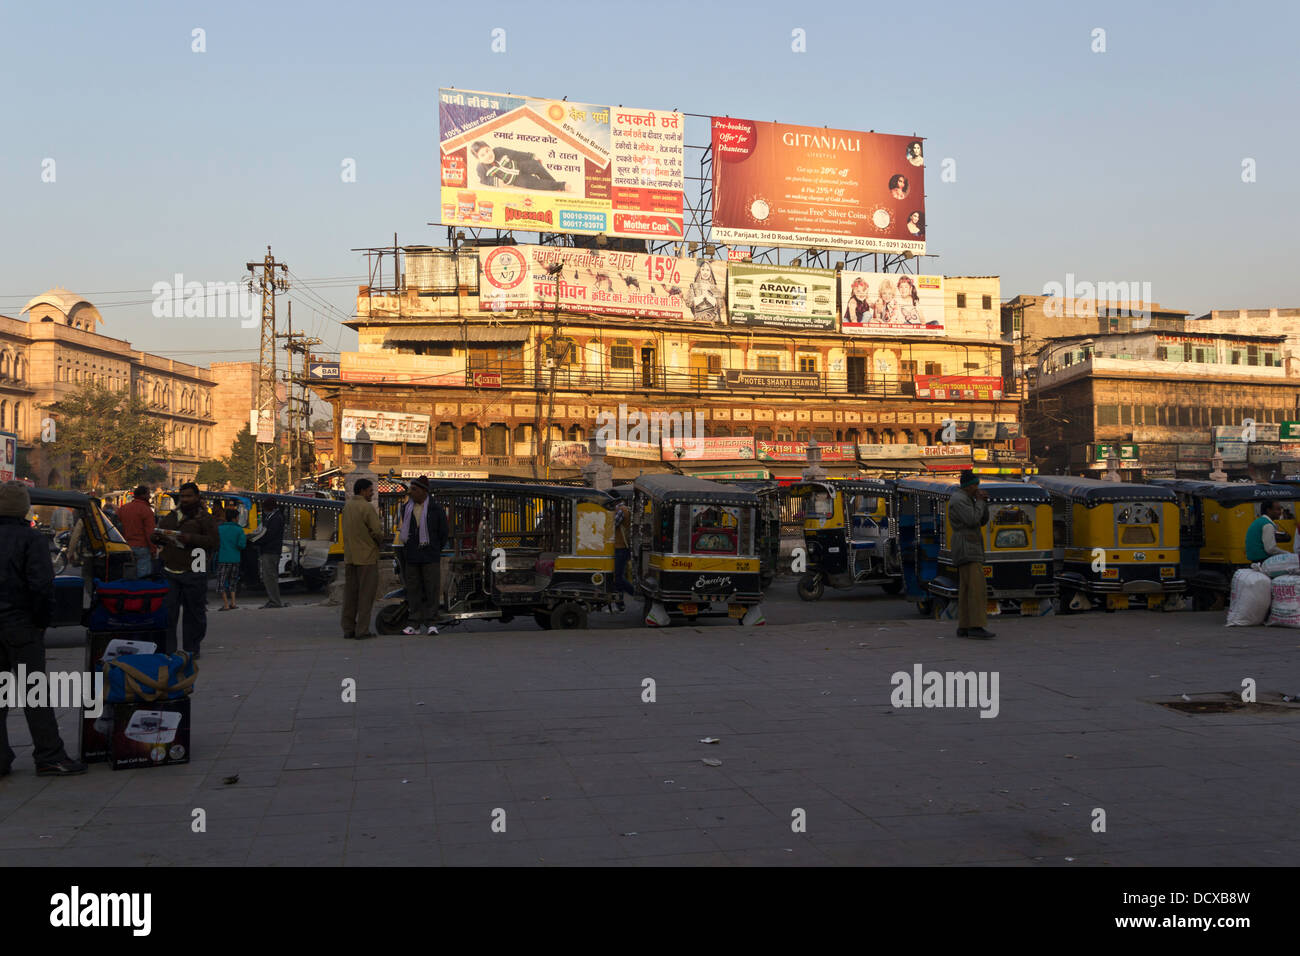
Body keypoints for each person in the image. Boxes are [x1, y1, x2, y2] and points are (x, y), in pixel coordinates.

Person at [0, 481, 86, 776]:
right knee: (34, 694)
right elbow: (41, 586)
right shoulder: (31, 539)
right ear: (23, 507)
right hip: (21, 627)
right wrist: (41, 622)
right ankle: (49, 755)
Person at [152, 482, 219, 658]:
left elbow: (214, 542)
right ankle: (169, 650)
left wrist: (191, 538)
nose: (185, 500)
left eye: (189, 496)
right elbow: (161, 533)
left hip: (195, 570)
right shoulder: (172, 517)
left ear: (197, 497)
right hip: (171, 570)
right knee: (169, 613)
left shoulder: (205, 518)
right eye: (183, 497)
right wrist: (157, 537)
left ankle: (192, 649)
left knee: (194, 613)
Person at [396, 476, 449, 636]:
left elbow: (443, 533)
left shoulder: (436, 509)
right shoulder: (406, 508)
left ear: (424, 491)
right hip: (412, 555)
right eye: (411, 489)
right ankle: (414, 623)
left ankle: (432, 623)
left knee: (431, 589)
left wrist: (433, 548)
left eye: (414, 489)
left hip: (430, 556)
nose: (411, 492)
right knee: (413, 590)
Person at [949, 470, 995, 639]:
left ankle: (965, 625)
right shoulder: (960, 500)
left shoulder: (967, 499)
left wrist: (983, 503)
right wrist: (980, 502)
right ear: (969, 486)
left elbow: (982, 520)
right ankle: (976, 625)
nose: (978, 488)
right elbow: (972, 520)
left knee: (968, 589)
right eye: (975, 485)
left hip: (969, 545)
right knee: (976, 589)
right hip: (967, 546)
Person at [341, 478, 388, 640]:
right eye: (370, 490)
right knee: (366, 596)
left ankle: (348, 628)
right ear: (362, 491)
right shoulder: (366, 507)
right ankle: (362, 630)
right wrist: (381, 540)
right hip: (367, 557)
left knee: (350, 596)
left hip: (350, 557)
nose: (372, 493)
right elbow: (376, 531)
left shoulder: (347, 507)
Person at [471, 141, 570, 192]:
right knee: (534, 183)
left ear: (490, 148)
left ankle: (554, 184)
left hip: (518, 166)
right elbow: (483, 180)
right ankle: (561, 185)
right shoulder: (481, 168)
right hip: (515, 180)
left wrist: (531, 156)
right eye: (482, 155)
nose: (488, 155)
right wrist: (495, 182)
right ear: (478, 159)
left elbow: (515, 154)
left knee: (535, 164)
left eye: (487, 150)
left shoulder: (499, 150)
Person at [117, 484, 156, 580]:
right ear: (143, 496)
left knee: (128, 575)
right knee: (143, 578)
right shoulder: (146, 511)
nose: (150, 497)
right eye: (148, 494)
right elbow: (150, 533)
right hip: (142, 547)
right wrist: (153, 549)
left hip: (125, 546)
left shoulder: (123, 508)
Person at [256, 497, 286, 609]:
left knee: (270, 577)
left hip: (270, 551)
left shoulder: (276, 518)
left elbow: (269, 535)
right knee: (270, 576)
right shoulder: (274, 517)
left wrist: (257, 541)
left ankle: (274, 601)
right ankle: (273, 600)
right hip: (271, 550)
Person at [216, 506, 246, 611]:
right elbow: (242, 545)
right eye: (237, 517)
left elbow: (216, 543)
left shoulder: (220, 529)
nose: (238, 519)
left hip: (223, 558)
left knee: (221, 582)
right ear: (234, 518)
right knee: (233, 582)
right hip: (235, 559)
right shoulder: (239, 530)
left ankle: (226, 604)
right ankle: (233, 602)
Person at [612, 499, 634, 610]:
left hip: (620, 547)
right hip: (621, 548)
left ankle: (631, 594)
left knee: (618, 577)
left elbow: (612, 525)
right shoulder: (624, 509)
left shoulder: (621, 510)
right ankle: (619, 603)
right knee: (618, 576)